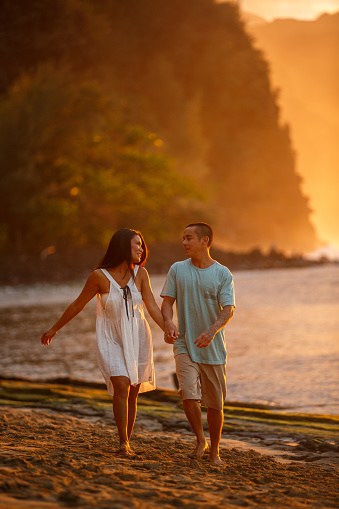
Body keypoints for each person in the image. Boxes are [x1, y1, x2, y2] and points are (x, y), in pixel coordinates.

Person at [41, 228, 164, 456]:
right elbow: (77, 304)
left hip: (138, 336)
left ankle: (127, 439)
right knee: (121, 385)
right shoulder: (99, 276)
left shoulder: (141, 274)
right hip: (111, 337)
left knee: (133, 391)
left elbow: (152, 307)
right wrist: (54, 328)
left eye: (142, 245)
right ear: (122, 246)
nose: (141, 248)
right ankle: (123, 443)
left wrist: (169, 328)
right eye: (137, 244)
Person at [161, 222, 235, 464]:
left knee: (215, 404)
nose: (184, 243)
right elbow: (166, 304)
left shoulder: (223, 273)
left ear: (205, 241)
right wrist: (169, 324)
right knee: (188, 394)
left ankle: (214, 451)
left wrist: (212, 331)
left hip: (213, 347)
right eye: (183, 238)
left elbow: (228, 310)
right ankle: (200, 440)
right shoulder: (177, 270)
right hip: (184, 343)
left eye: (189, 238)